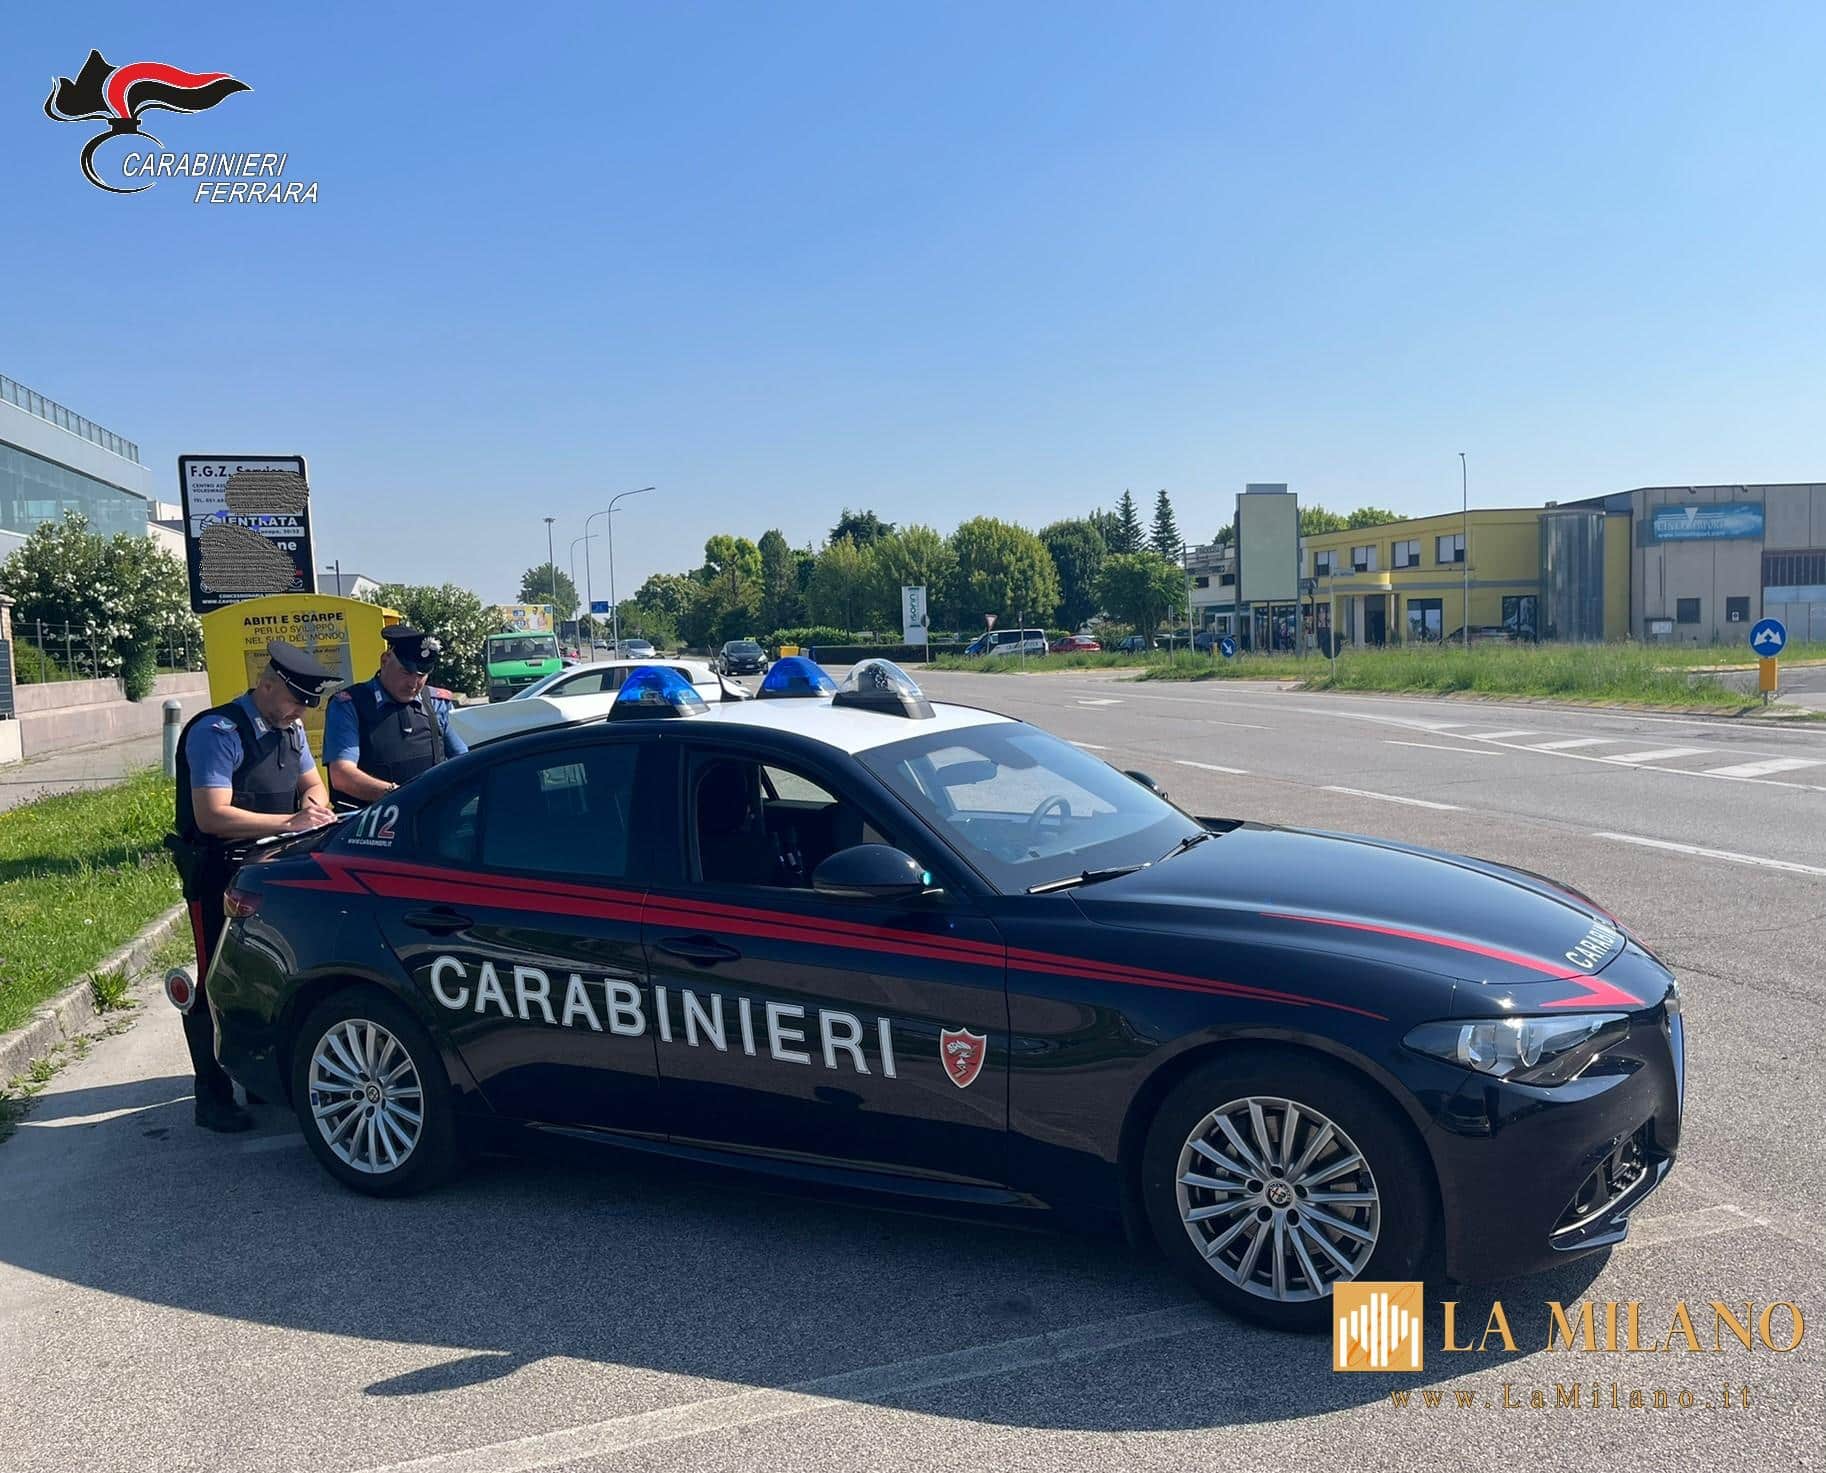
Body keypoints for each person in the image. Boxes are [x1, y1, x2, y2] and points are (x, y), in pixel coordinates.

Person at [169, 640, 340, 1131]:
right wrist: (288, 821)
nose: (301, 712)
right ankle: (212, 1094)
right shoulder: (218, 732)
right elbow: (212, 813)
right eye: (295, 700)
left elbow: (313, 783)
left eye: (307, 704)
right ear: (267, 685)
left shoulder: (290, 727)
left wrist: (311, 803)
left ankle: (254, 1075)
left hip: (271, 871)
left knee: (264, 975)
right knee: (213, 979)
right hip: (219, 872)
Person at [322, 626, 467, 806]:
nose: (413, 684)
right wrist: (401, 796)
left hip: (428, 816)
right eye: (406, 672)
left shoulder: (435, 703)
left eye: (422, 675)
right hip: (370, 825)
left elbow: (462, 761)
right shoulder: (350, 705)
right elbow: (342, 776)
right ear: (385, 660)